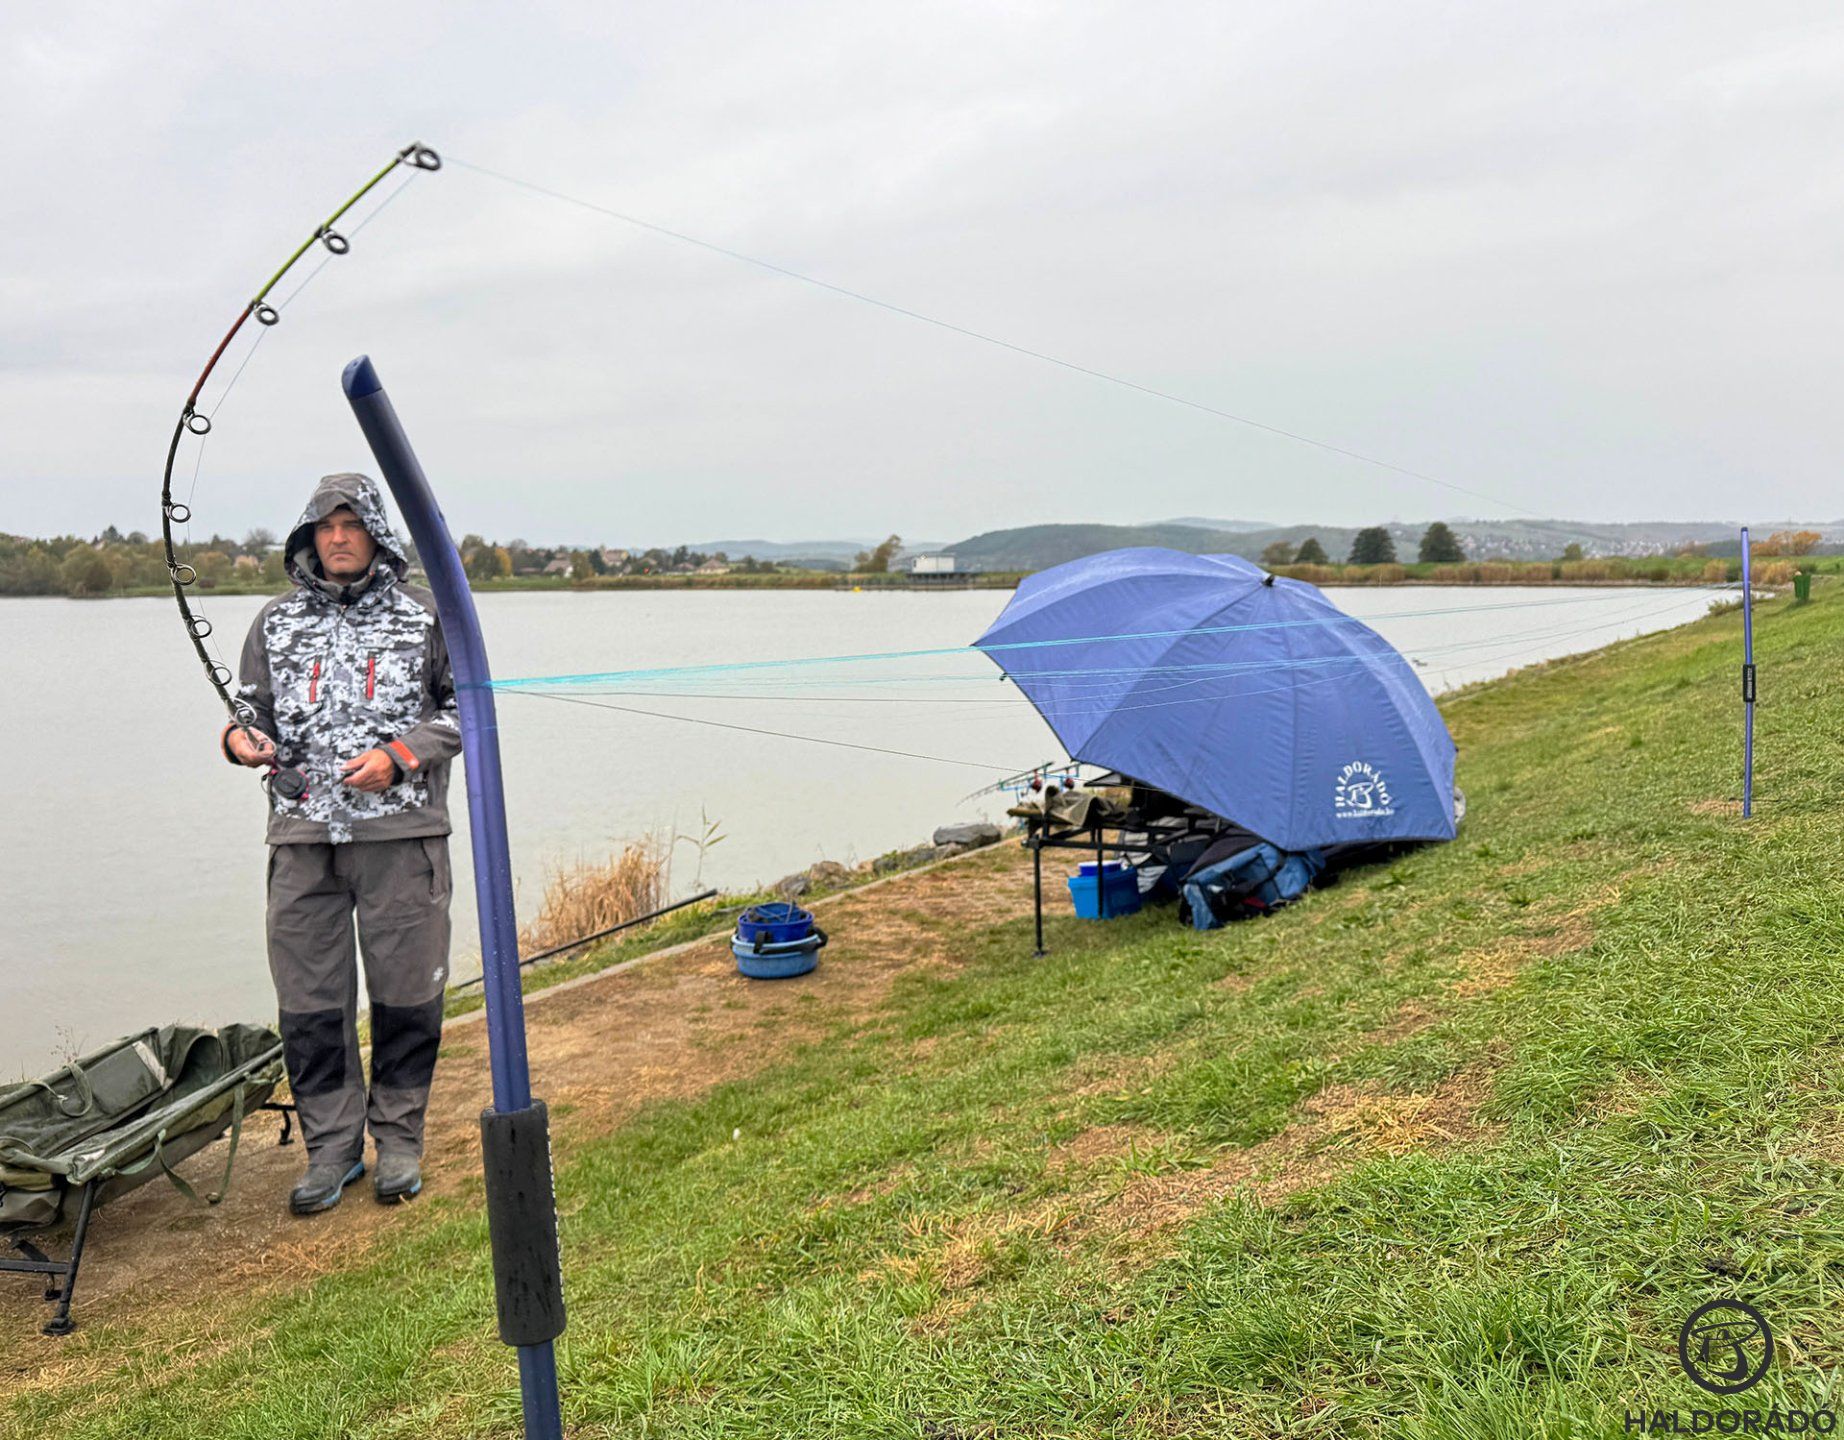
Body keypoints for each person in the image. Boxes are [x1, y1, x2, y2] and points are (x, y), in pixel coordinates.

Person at [220, 473, 462, 1215]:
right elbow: (249, 710)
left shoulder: (428, 615)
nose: (338, 537)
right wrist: (239, 740)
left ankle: (399, 1141)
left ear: (377, 534)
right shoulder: (274, 621)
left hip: (402, 837)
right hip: (301, 841)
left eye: (351, 524)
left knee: (406, 996)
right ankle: (331, 1148)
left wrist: (401, 755)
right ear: (308, 538)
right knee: (309, 1004)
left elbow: (467, 709)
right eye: (325, 526)